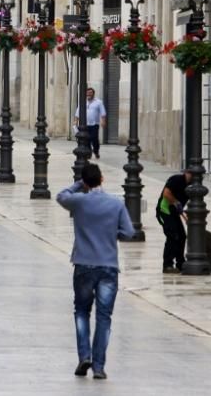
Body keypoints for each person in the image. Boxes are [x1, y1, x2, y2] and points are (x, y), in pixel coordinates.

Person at [56, 162, 134, 380]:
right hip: (108, 266)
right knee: (104, 317)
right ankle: (99, 366)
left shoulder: (79, 202)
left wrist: (79, 184)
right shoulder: (115, 204)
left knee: (81, 311)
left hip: (83, 264)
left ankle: (84, 356)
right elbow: (129, 232)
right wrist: (112, 234)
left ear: (85, 182)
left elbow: (61, 195)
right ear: (102, 179)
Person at [156, 169, 192, 273]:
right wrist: (176, 202)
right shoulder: (175, 180)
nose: (191, 176)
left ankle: (180, 263)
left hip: (174, 213)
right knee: (172, 235)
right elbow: (166, 194)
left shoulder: (191, 186)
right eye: (190, 173)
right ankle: (167, 265)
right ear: (186, 173)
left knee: (182, 236)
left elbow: (179, 207)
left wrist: (185, 217)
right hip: (164, 211)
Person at [73, 87, 107, 159]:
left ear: (93, 94)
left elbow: (103, 112)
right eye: (87, 93)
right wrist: (75, 121)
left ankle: (96, 151)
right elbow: (77, 113)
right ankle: (89, 153)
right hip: (84, 125)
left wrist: (103, 121)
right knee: (87, 140)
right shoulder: (83, 102)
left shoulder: (98, 102)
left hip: (94, 124)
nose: (88, 94)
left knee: (94, 138)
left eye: (90, 93)